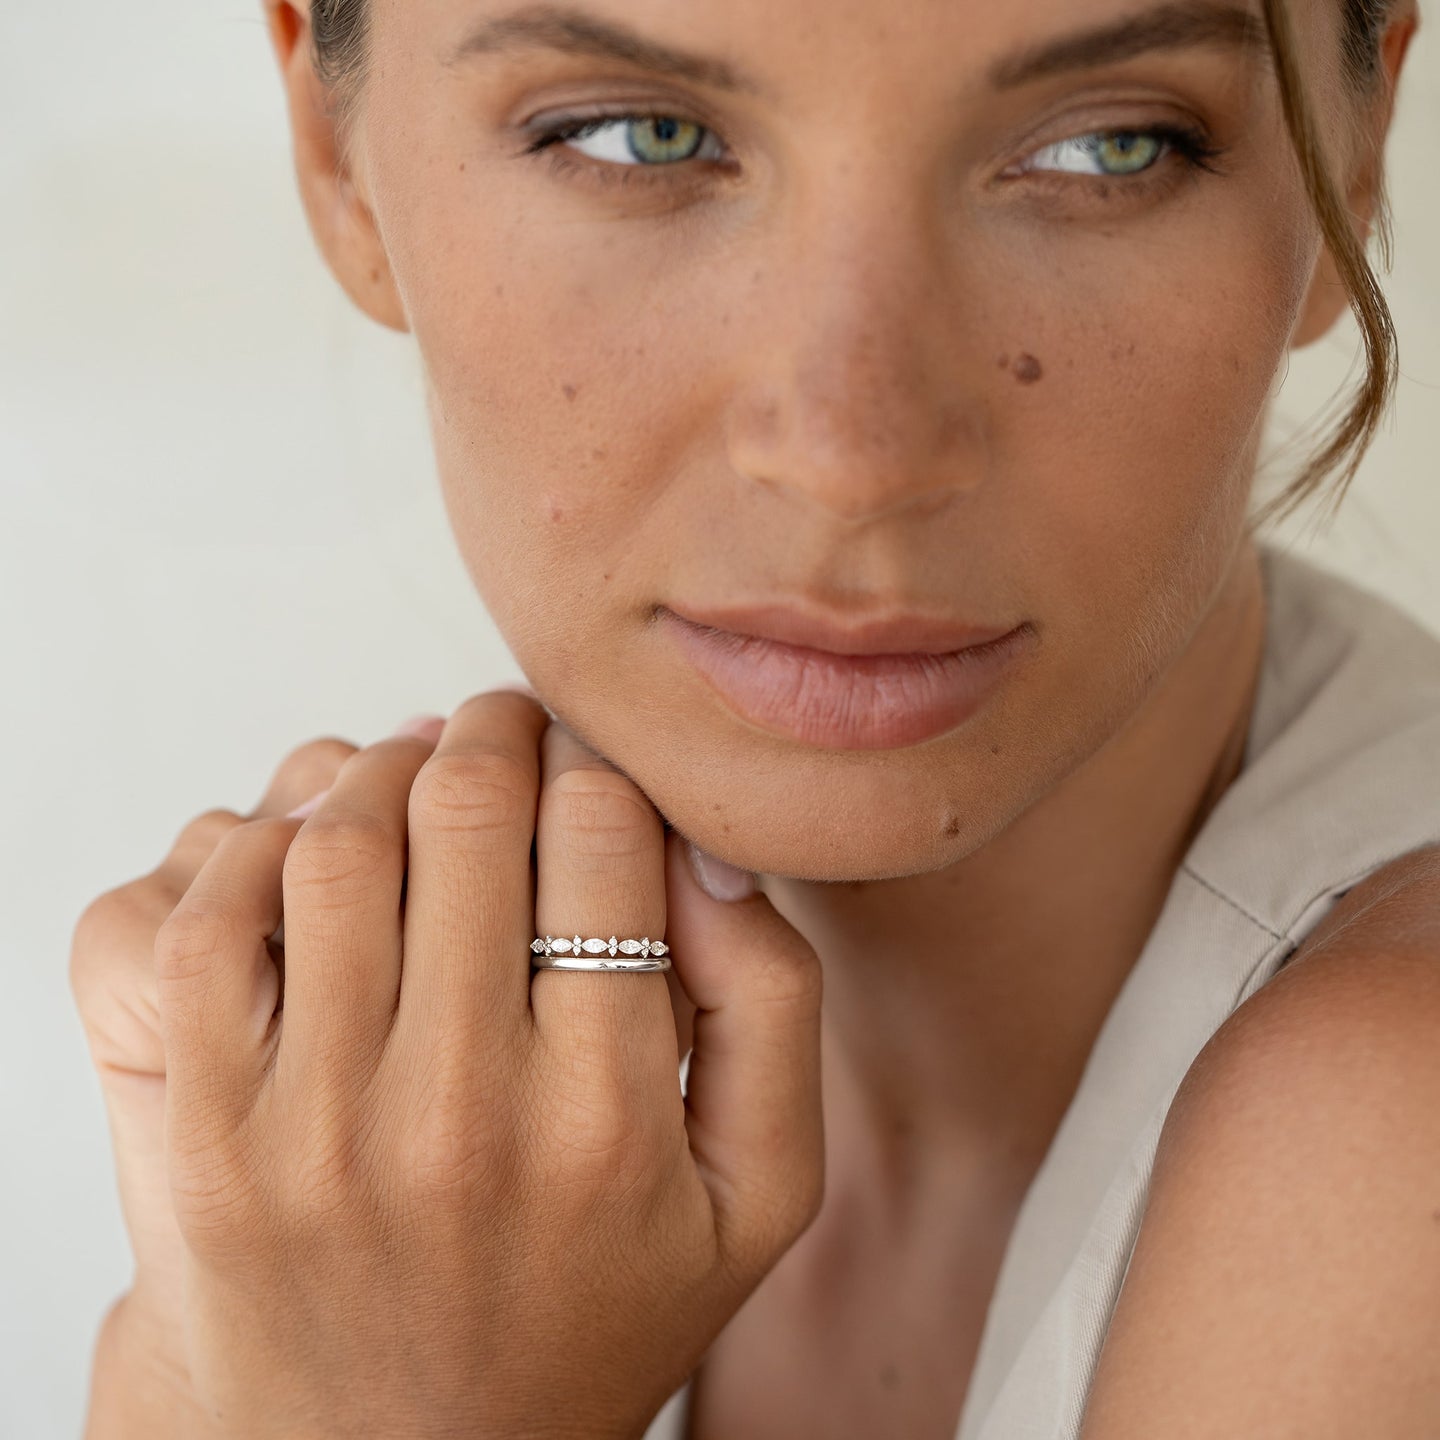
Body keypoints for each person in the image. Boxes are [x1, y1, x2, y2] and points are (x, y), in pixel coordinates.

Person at [69, 0, 1440, 1435]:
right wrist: (191, 1339)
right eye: (639, 135)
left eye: (1110, 147)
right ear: (331, 143)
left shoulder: (1390, 1129)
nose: (853, 457)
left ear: (1354, 148)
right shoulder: (361, 1153)